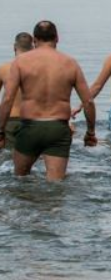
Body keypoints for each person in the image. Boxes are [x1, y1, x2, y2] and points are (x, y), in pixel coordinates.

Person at [0, 21, 97, 180]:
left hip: (30, 128)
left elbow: (8, 99)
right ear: (57, 38)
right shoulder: (70, 63)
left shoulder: (21, 62)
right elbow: (89, 102)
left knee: (19, 181)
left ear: (35, 40)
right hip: (57, 129)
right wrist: (90, 132)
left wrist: (1, 131)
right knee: (55, 185)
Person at [0, 32, 33, 148]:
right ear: (33, 48)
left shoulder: (4, 69)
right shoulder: (41, 70)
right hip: (33, 120)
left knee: (9, 159)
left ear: (14, 47)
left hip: (10, 121)